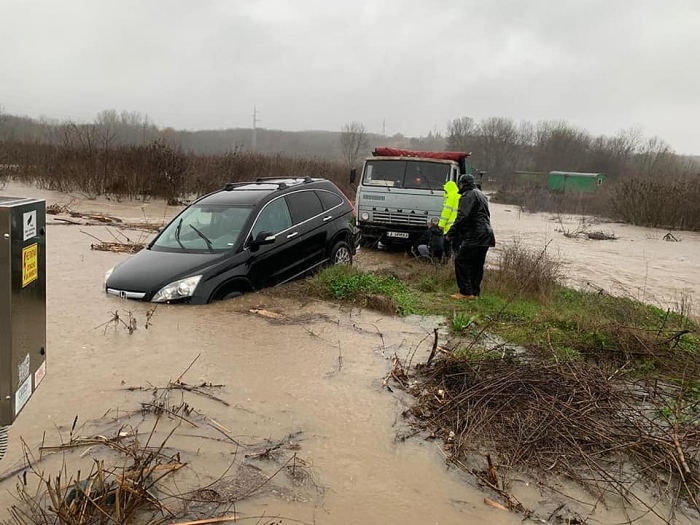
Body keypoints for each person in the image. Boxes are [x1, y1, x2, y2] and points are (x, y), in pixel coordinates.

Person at [446, 173, 495, 300]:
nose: (459, 186)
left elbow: (462, 216)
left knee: (461, 260)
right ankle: (474, 292)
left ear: (463, 184)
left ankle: (465, 292)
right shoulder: (481, 194)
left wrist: (451, 233)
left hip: (475, 234)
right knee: (477, 264)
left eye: (460, 184)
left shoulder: (468, 195)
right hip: (487, 234)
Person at [438, 180, 460, 258]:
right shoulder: (459, 196)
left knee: (446, 246)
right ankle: (455, 261)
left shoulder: (450, 196)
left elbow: (446, 212)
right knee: (456, 246)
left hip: (449, 227)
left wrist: (441, 225)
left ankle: (446, 261)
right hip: (458, 226)